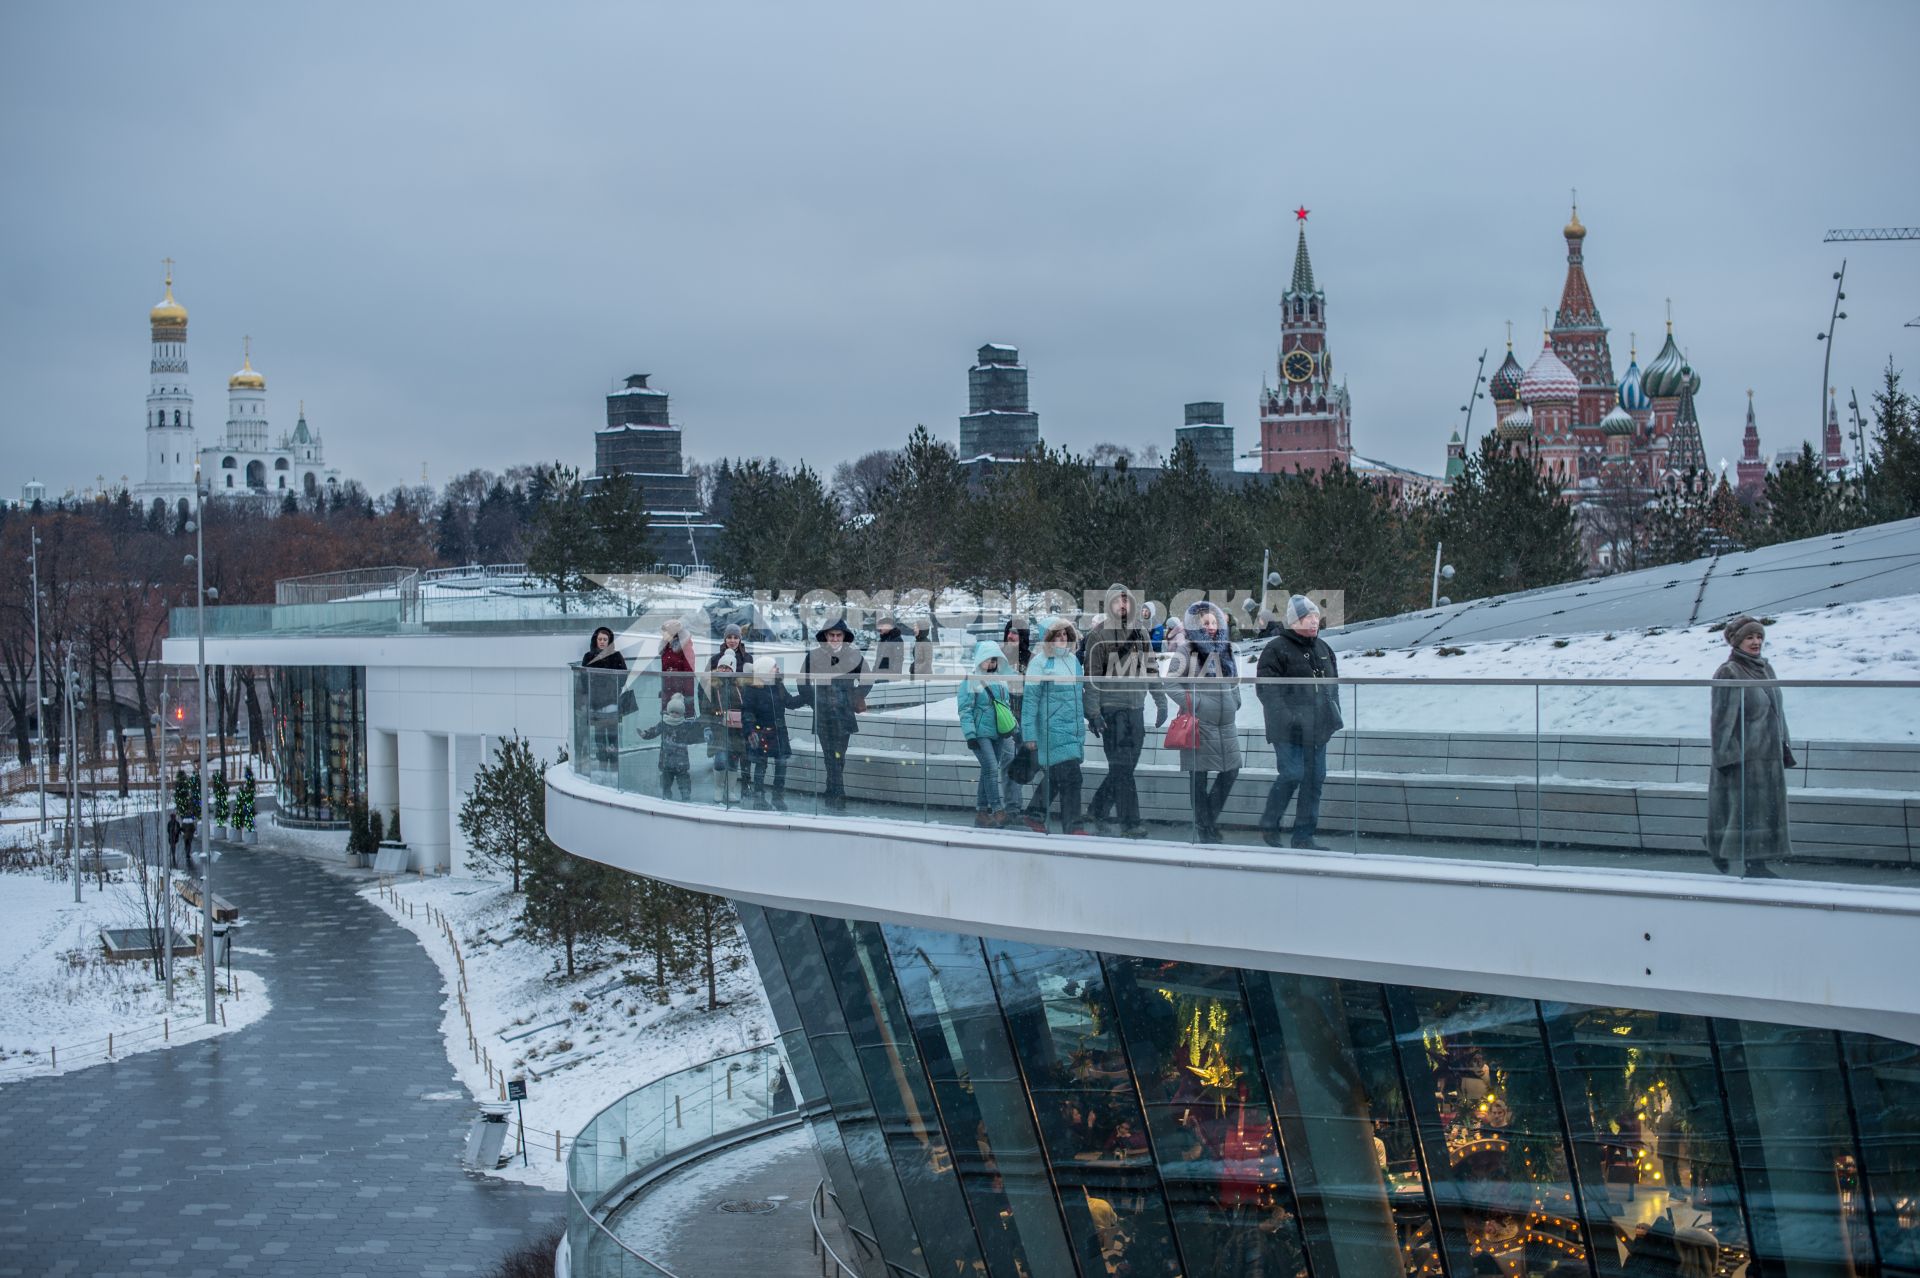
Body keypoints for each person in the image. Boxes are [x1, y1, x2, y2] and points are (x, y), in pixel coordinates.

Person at [1707, 615, 1792, 877]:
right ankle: (1752, 865)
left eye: (1759, 637)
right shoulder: (1729, 672)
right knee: (1747, 813)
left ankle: (1740, 855)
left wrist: (1784, 745)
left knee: (1764, 812)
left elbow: (1778, 712)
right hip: (1744, 758)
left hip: (1769, 756)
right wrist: (1728, 758)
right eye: (1749, 637)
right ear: (1736, 642)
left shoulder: (1766, 669)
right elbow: (1722, 721)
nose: (1756, 642)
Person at [1082, 584, 1169, 837]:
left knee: (1124, 768)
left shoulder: (1141, 633)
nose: (1123, 605)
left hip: (1136, 709)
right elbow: (1092, 677)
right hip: (1112, 710)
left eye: (1126, 601)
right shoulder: (1098, 636)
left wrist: (1160, 700)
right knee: (1122, 767)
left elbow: (1151, 668)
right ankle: (1130, 822)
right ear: (1109, 604)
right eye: (1118, 601)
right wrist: (1094, 713)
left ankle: (1097, 808)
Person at [1256, 595, 1342, 850]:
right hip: (1288, 730)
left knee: (1315, 780)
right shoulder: (1275, 649)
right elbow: (1267, 692)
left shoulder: (1324, 648)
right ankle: (1270, 823)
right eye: (1308, 617)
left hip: (1318, 728)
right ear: (1294, 621)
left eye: (1316, 616)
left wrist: (1331, 715)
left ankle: (1303, 836)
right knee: (1293, 774)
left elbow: (1332, 687)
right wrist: (1290, 719)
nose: (1314, 621)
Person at [1177, 600, 1241, 843]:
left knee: (1231, 771)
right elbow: (1171, 683)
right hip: (1198, 723)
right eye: (1206, 623)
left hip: (1225, 723)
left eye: (1215, 622)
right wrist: (1194, 703)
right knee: (1198, 775)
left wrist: (1236, 699)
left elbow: (1234, 679)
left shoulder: (1225, 649)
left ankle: (1207, 821)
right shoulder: (1186, 651)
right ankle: (1204, 828)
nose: (1212, 626)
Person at [1020, 616, 1091, 835]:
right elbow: (1030, 701)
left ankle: (1034, 813)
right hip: (1051, 729)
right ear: (1048, 638)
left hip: (1073, 729)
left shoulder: (1073, 661)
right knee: (1072, 777)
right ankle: (1073, 826)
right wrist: (1029, 734)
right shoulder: (1039, 662)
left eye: (1065, 635)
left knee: (1058, 776)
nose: (1062, 639)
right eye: (1057, 635)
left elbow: (1080, 695)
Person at [798, 619, 867, 810]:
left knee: (839, 755)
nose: (835, 638)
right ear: (825, 637)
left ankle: (834, 790)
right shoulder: (813, 656)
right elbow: (802, 682)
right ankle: (837, 791)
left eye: (839, 635)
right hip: (823, 714)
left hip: (844, 713)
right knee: (830, 754)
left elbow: (868, 679)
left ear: (844, 637)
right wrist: (815, 703)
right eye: (831, 635)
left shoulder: (854, 656)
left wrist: (855, 697)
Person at [958, 639, 1020, 827]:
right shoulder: (970, 680)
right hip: (980, 734)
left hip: (999, 733)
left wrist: (1013, 728)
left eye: (994, 660)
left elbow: (1005, 707)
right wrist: (970, 735)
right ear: (980, 659)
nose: (991, 664)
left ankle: (981, 812)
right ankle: (997, 809)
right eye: (988, 660)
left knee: (988, 770)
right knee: (992, 769)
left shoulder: (1001, 680)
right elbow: (965, 709)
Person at [740, 656, 803, 810]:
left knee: (781, 765)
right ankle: (759, 799)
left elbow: (790, 702)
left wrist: (806, 697)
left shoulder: (778, 686)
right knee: (761, 766)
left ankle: (778, 798)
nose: (778, 669)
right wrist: (750, 731)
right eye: (774, 667)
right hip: (761, 732)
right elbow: (747, 712)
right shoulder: (752, 689)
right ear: (765, 671)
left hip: (779, 732)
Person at [702, 648, 746, 805]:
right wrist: (707, 727)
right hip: (718, 728)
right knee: (720, 759)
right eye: (722, 667)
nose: (724, 670)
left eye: (728, 667)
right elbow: (705, 709)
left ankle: (731, 790)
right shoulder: (712, 685)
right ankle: (718, 788)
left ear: (733, 669)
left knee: (734, 760)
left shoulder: (739, 686)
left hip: (736, 730)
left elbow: (746, 707)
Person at [581, 626, 629, 773]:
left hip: (612, 703)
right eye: (600, 639)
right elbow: (583, 678)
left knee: (613, 734)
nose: (602, 642)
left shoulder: (616, 656)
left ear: (609, 641)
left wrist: (615, 689)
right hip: (596, 704)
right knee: (599, 736)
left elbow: (623, 675)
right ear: (595, 640)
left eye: (605, 639)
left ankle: (614, 766)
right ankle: (602, 764)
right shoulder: (589, 657)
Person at [640, 693, 698, 800]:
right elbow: (654, 731)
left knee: (684, 783)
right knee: (665, 783)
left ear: (681, 713)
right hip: (666, 761)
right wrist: (645, 734)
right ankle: (666, 798)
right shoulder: (664, 723)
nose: (674, 714)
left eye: (677, 712)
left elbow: (694, 736)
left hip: (681, 763)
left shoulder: (685, 725)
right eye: (672, 712)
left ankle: (686, 798)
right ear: (668, 711)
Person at [658, 617, 696, 709]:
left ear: (672, 633)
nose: (662, 634)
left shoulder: (685, 648)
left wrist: (687, 695)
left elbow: (689, 671)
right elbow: (664, 669)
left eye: (665, 631)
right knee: (667, 714)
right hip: (667, 690)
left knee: (681, 714)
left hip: (681, 692)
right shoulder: (666, 648)